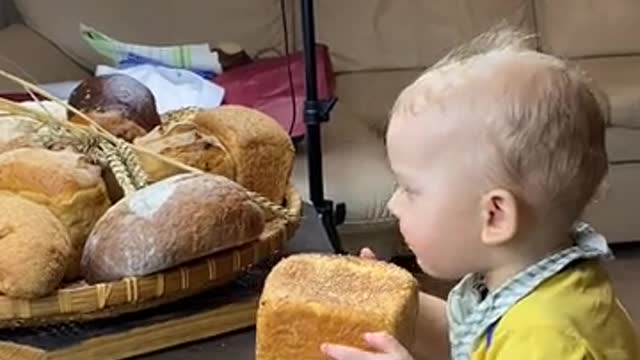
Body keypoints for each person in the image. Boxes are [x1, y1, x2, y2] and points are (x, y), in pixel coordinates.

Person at [320, 27, 640, 360]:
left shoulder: (548, 342)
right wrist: (392, 301)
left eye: (411, 190)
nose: (392, 204)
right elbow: (470, 337)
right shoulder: (512, 282)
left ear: (495, 215)